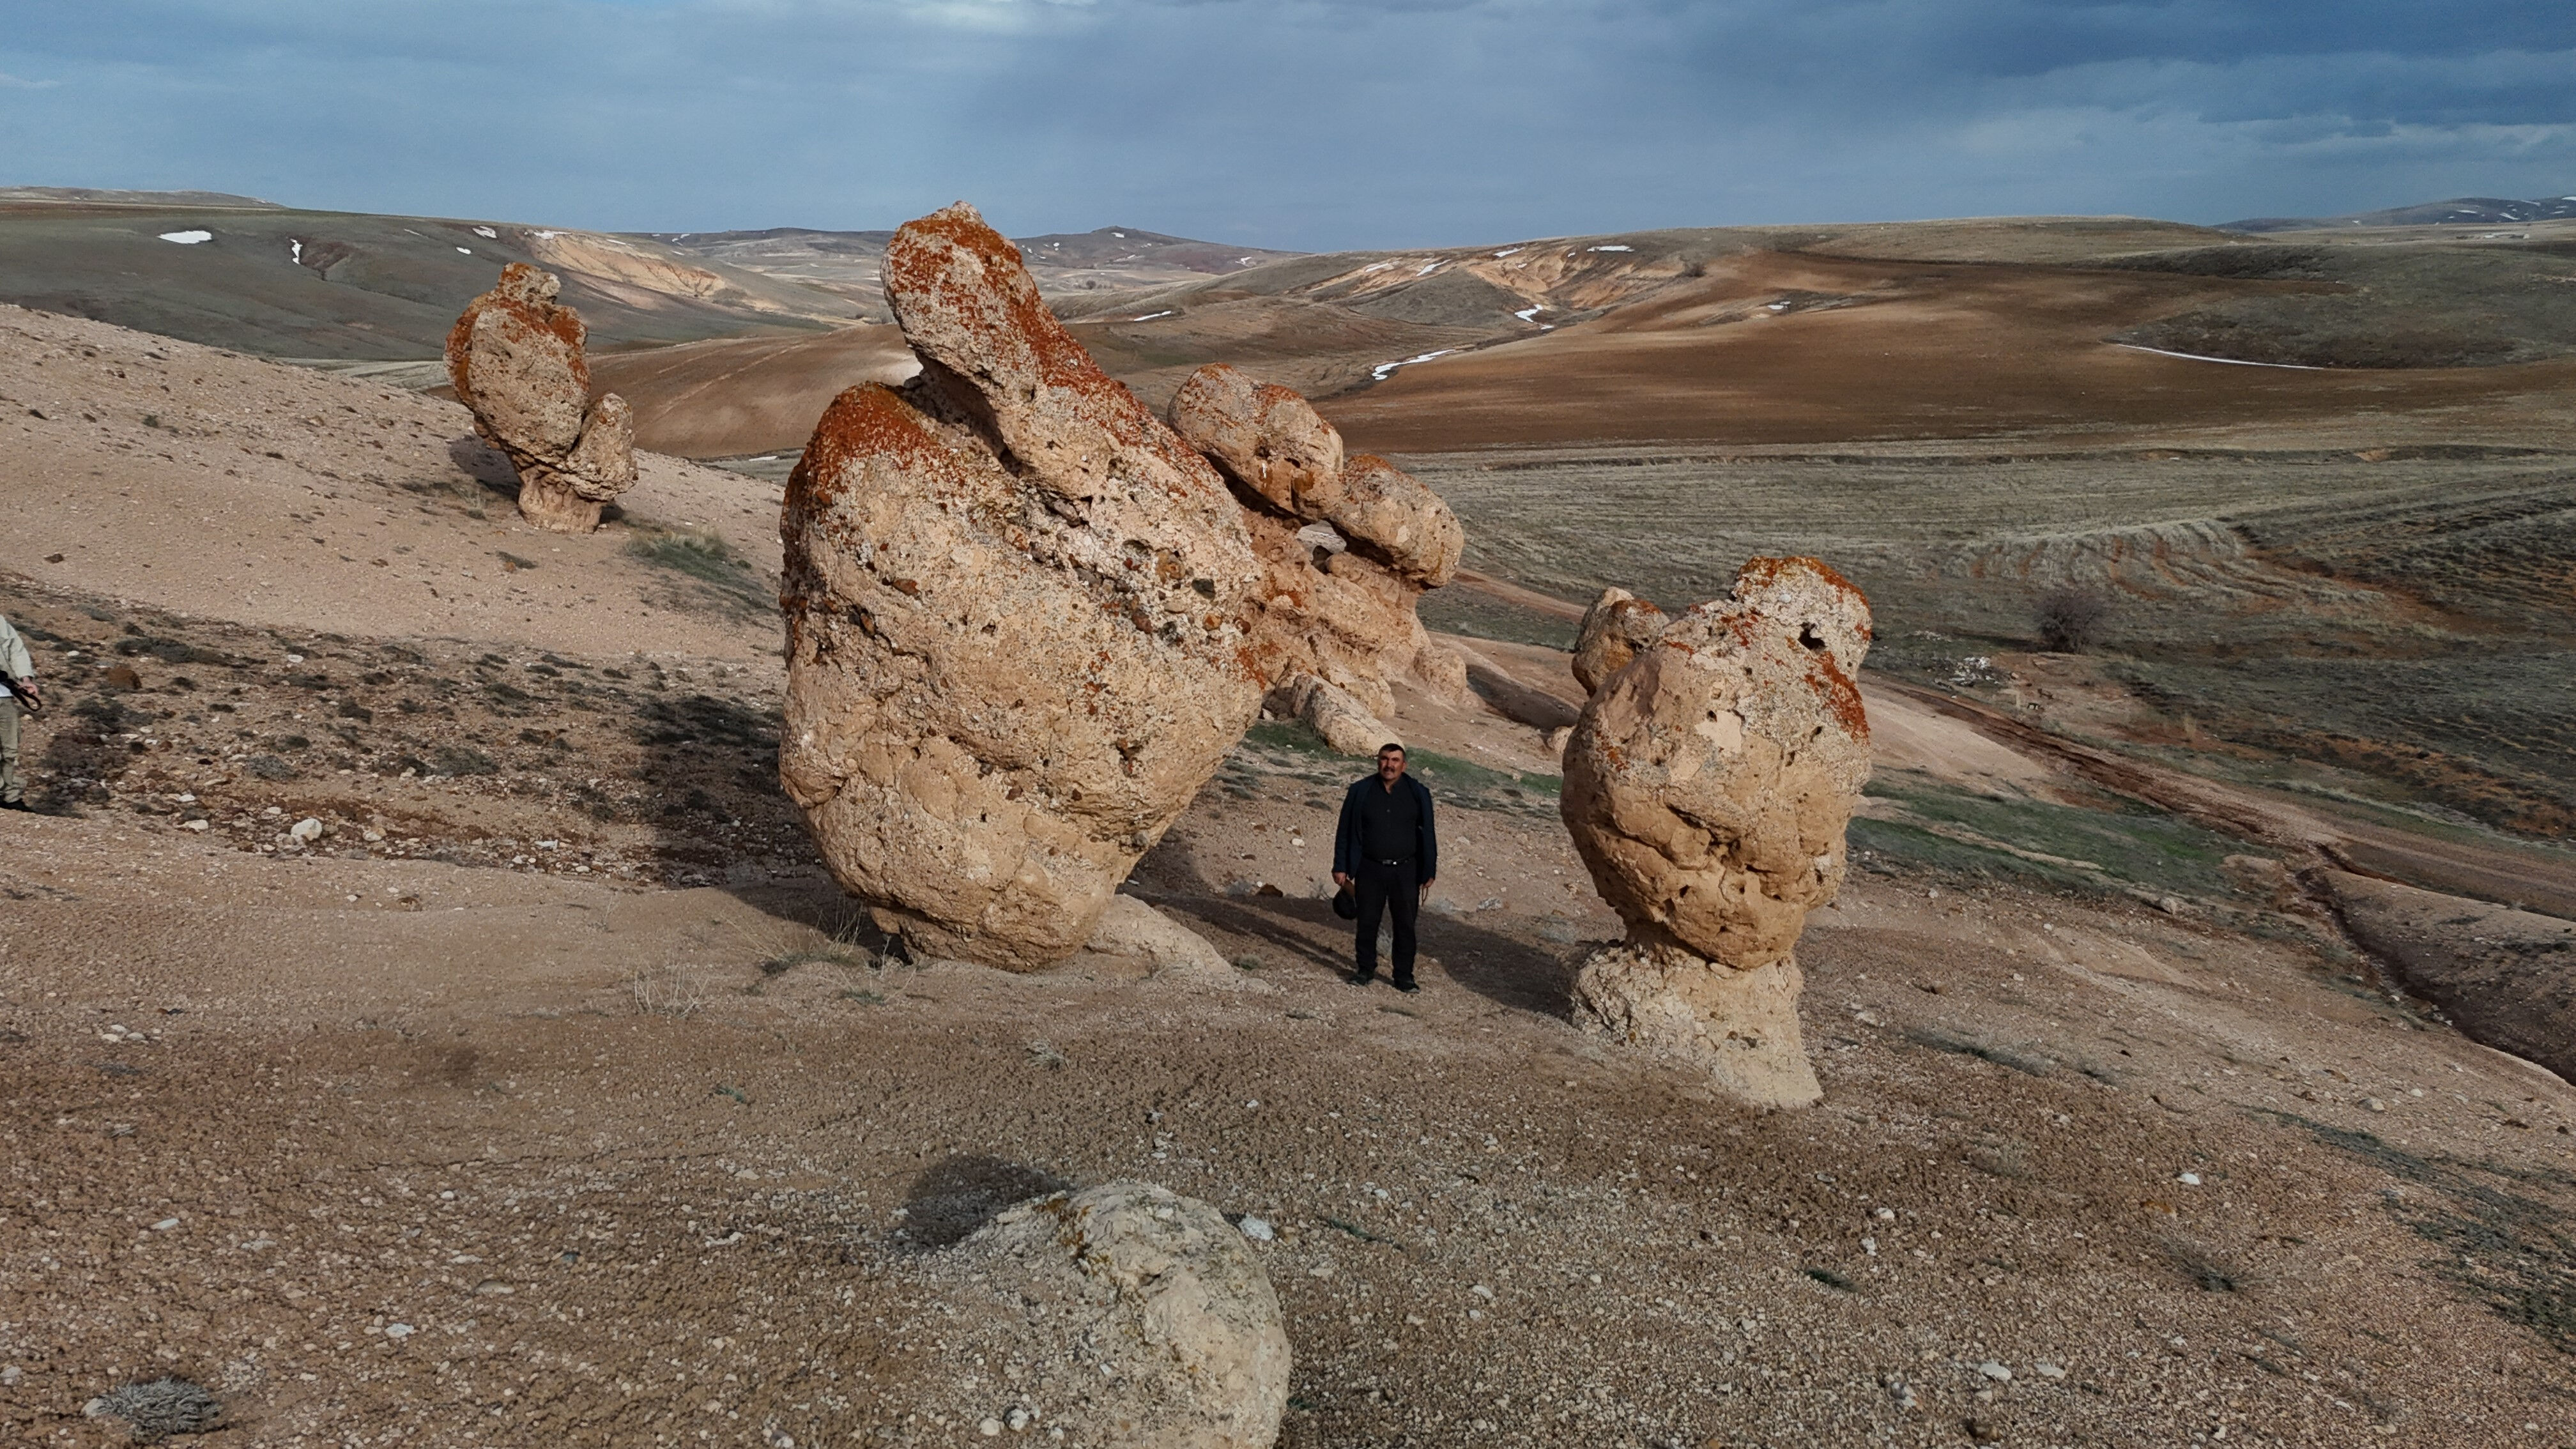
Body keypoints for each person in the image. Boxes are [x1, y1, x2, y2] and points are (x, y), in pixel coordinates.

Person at [1331, 742, 1437, 992]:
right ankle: (1365, 970)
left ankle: (1404, 976)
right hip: (1370, 868)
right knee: (1367, 922)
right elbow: (1344, 831)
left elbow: (1428, 833)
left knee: (1405, 925)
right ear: (1378, 761)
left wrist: (1429, 869)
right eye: (1384, 759)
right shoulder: (1360, 791)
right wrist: (1340, 866)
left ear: (1404, 765)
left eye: (1395, 760)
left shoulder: (1417, 793)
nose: (1389, 765)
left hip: (1406, 871)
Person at [0, 609, 40, 812]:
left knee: (9, 748)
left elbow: (14, 649)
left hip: (3, 693)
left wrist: (25, 678)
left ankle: (9, 797)